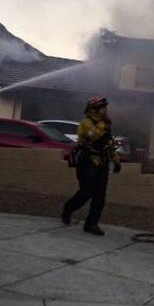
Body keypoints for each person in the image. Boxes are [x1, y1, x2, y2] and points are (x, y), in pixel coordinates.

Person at [61, 95, 121, 235]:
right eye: (102, 108)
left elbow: (109, 144)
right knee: (86, 191)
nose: (105, 110)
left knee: (100, 196)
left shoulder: (105, 124)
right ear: (94, 109)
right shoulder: (86, 123)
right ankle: (69, 208)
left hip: (102, 164)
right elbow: (94, 136)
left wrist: (116, 160)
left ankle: (92, 224)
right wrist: (102, 123)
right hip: (87, 163)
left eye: (105, 108)